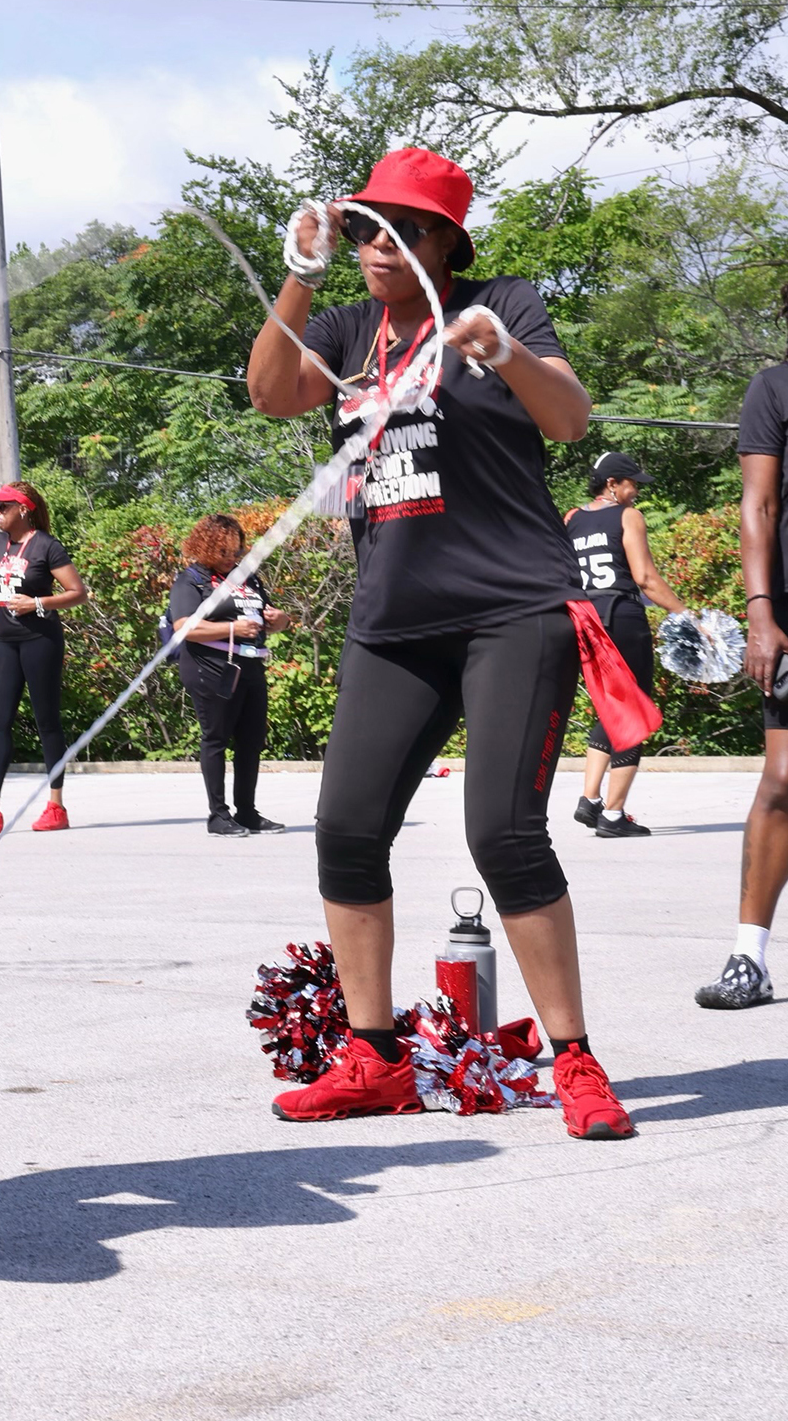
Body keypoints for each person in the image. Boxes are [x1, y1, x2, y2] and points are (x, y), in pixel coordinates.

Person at [246, 145, 632, 1138]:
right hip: (394, 621)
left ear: (444, 245)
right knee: (345, 830)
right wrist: (299, 269)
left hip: (512, 609)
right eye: (366, 226)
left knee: (502, 834)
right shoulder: (342, 327)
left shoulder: (500, 302)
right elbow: (271, 392)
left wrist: (502, 352)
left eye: (405, 230)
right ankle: (372, 1057)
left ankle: (576, 1061)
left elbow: (571, 415)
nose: (380, 244)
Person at [700, 340, 788, 1010]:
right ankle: (748, 957)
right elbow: (757, 506)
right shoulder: (772, 388)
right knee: (782, 780)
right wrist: (759, 610)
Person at [0, 480, 86, 833]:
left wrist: (38, 603)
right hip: (5, 643)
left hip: (39, 640)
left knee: (47, 722)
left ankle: (56, 807)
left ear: (23, 509)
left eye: (2, 506)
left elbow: (78, 593)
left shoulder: (47, 546)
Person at [564, 452, 680, 840]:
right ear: (612, 484)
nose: (635, 492)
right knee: (633, 711)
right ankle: (613, 816)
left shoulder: (571, 518)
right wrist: (687, 613)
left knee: (608, 705)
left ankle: (590, 799)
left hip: (584, 622)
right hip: (621, 617)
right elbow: (645, 578)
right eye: (632, 484)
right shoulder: (627, 517)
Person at [167, 513, 295, 836]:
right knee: (216, 738)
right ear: (206, 548)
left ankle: (247, 812)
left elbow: (272, 620)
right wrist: (232, 628)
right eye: (223, 552)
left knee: (251, 741)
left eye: (236, 552)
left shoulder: (248, 579)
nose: (231, 558)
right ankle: (218, 815)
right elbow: (183, 627)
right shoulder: (191, 580)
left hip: (251, 666)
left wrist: (280, 619)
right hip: (210, 668)